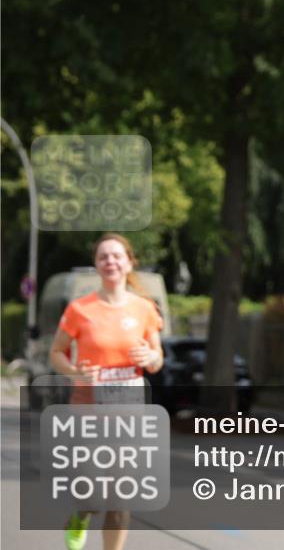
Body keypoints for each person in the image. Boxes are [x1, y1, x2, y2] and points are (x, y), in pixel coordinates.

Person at [49, 233, 165, 550]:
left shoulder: (144, 309)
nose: (110, 261)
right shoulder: (80, 310)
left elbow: (157, 359)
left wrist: (150, 357)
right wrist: (75, 372)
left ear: (129, 262)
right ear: (96, 265)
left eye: (116, 256)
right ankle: (81, 515)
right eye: (103, 257)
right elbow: (56, 353)